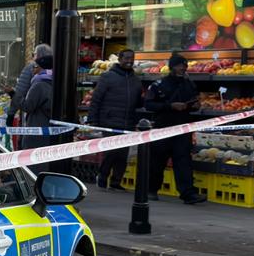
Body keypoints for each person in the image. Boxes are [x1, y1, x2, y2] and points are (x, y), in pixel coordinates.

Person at [143, 53, 207, 205]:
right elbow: (149, 105)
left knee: (183, 161)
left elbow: (194, 102)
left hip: (182, 128)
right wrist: (170, 106)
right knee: (157, 161)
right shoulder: (159, 84)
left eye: (184, 66)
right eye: (179, 66)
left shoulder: (189, 84)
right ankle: (151, 189)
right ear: (171, 67)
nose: (182, 69)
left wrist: (195, 106)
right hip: (163, 128)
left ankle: (188, 194)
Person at [87, 48, 145, 189]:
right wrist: (92, 120)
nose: (129, 61)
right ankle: (102, 177)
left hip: (128, 121)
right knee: (111, 152)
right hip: (109, 121)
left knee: (123, 154)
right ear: (119, 59)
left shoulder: (136, 80)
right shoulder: (107, 77)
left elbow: (138, 102)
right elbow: (96, 99)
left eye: (132, 58)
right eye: (126, 58)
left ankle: (116, 182)